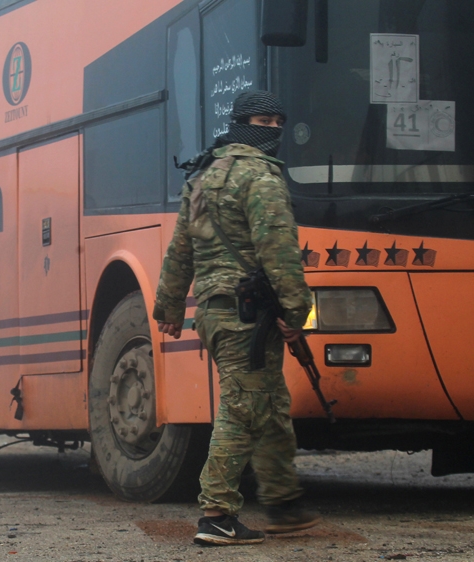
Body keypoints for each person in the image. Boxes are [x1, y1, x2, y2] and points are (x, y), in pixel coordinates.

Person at [152, 90, 318, 546]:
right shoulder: (261, 177)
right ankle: (217, 515)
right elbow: (279, 251)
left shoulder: (203, 176)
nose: (273, 130)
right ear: (242, 122)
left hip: (217, 310)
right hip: (246, 314)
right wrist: (296, 311)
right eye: (264, 120)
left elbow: (180, 249)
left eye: (279, 121)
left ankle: (284, 502)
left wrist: (168, 307)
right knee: (244, 407)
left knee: (269, 404)